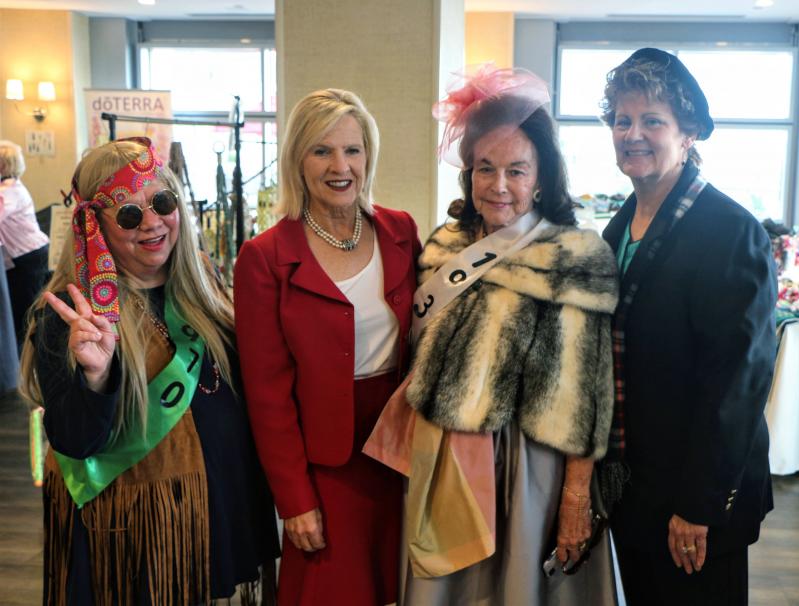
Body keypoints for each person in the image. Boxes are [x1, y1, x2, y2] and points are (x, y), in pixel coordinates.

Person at [367, 65, 620, 605]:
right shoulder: (442, 246)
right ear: (469, 174)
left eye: (517, 170)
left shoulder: (575, 256)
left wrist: (575, 497)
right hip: (442, 462)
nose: (499, 185)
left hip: (527, 472)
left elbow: (586, 394)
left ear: (543, 176)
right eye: (485, 168)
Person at [18, 137, 279, 605]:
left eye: (162, 201)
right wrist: (96, 378)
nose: (154, 222)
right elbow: (74, 440)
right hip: (142, 541)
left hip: (220, 509)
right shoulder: (71, 314)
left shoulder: (202, 283)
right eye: (130, 215)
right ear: (94, 227)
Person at [600, 48, 777, 606]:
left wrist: (698, 505)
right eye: (622, 120)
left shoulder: (731, 231)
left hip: (695, 497)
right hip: (634, 488)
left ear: (689, 133)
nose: (634, 134)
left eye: (653, 120)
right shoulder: (618, 227)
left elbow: (738, 383)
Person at [233, 89, 420, 606]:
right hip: (325, 468)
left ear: (369, 156)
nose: (340, 166)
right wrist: (294, 500)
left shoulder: (401, 231)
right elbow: (267, 395)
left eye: (352, 150)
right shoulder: (265, 257)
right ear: (298, 158)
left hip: (403, 452)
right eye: (322, 151)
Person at [0, 140, 50, 350]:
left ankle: (28, 367)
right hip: (21, 259)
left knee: (25, 315)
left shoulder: (9, 191)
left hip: (31, 257)